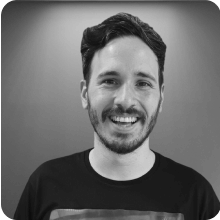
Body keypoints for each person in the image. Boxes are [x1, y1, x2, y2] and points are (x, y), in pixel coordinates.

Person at [13, 12, 220, 220]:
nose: (125, 100)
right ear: (85, 94)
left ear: (161, 97)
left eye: (143, 83)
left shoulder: (197, 196)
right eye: (110, 81)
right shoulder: (44, 185)